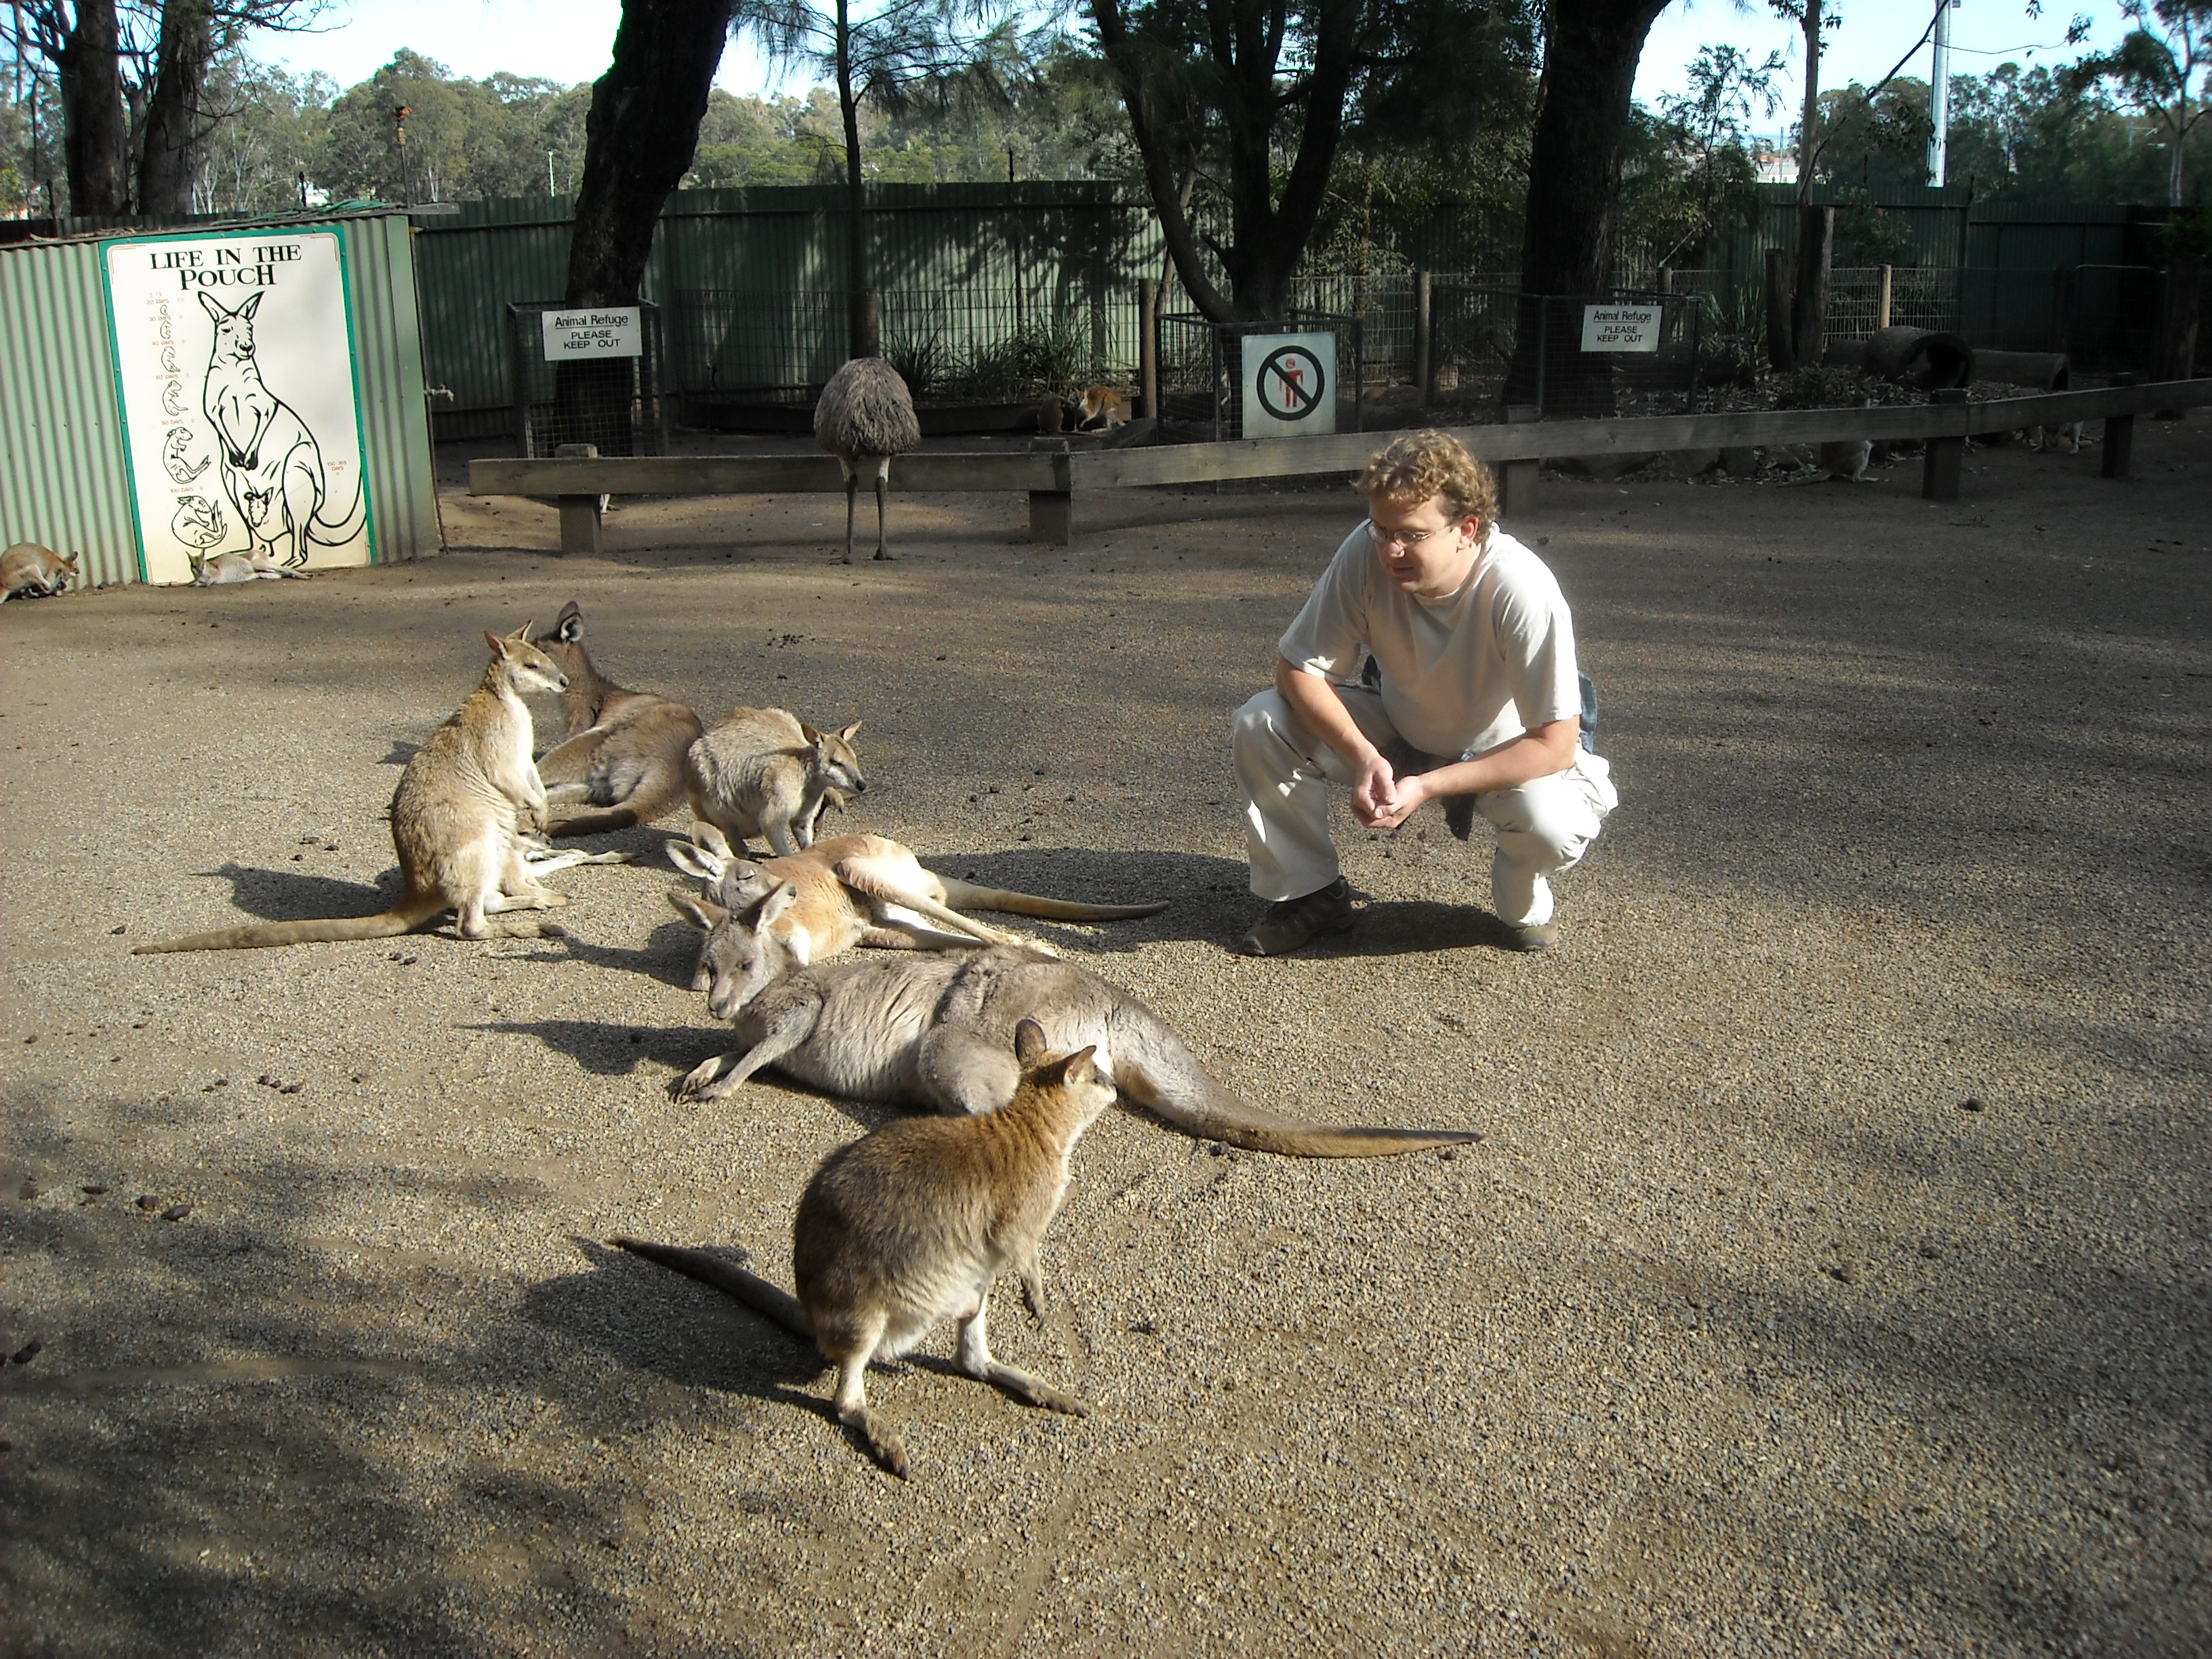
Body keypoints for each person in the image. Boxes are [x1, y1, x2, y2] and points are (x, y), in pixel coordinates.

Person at [1229, 429, 1616, 957]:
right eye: (1382, 529)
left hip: (1502, 755)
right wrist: (1363, 755)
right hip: (1399, 725)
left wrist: (1429, 786)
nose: (1391, 550)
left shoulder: (1521, 587)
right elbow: (1298, 670)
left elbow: (1555, 744)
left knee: (1551, 827)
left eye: (1412, 535)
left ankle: (1522, 885)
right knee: (1262, 722)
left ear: (1466, 529)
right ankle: (1309, 894)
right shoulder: (1366, 552)